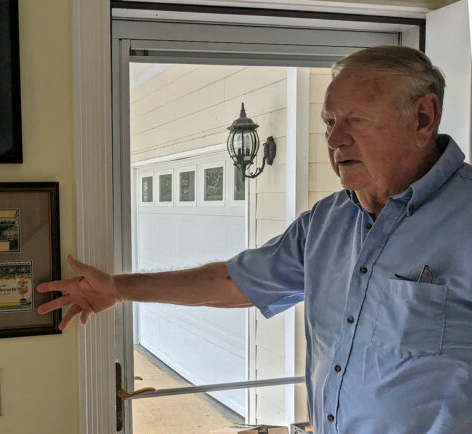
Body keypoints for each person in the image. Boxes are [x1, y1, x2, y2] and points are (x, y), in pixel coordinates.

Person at [37, 45, 472, 433]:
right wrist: (117, 288)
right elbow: (232, 283)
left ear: (422, 118)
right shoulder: (327, 222)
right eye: (329, 121)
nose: (335, 139)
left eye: (356, 119)